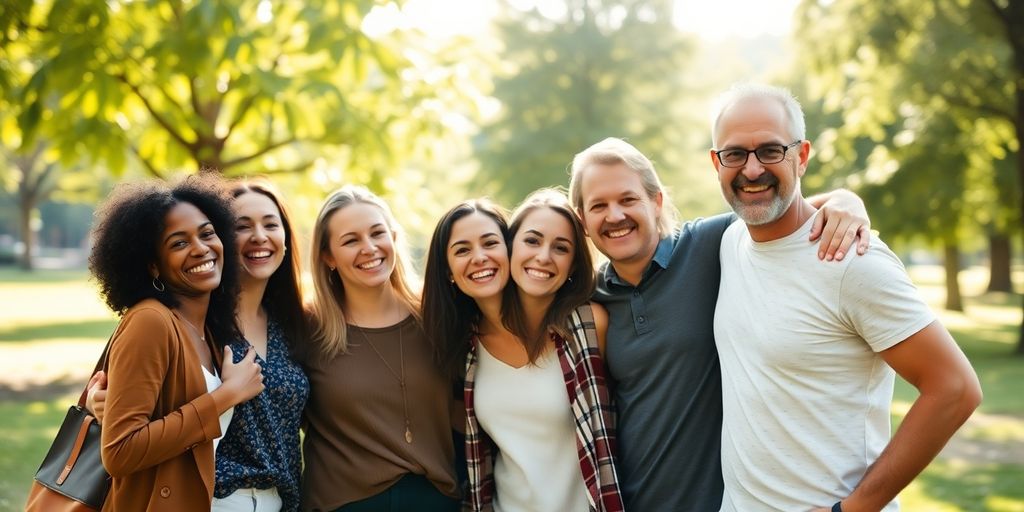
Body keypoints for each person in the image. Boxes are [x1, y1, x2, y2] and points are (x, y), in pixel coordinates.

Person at [708, 83, 982, 511]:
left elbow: (956, 388)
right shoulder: (729, 242)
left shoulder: (852, 261)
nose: (753, 169)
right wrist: (842, 198)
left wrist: (854, 509)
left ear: (801, 156)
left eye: (771, 151)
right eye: (735, 154)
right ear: (716, 162)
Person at [567, 137, 872, 510]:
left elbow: (787, 210)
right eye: (599, 205)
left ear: (656, 201)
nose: (615, 215)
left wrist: (845, 200)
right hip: (631, 499)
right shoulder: (593, 298)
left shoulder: (711, 244)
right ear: (582, 220)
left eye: (628, 199)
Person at [422, 191, 622, 512]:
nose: (543, 256)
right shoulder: (464, 349)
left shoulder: (588, 328)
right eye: (462, 249)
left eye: (561, 248)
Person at [88, 175, 264, 511]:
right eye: (179, 243)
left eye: (207, 233)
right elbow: (119, 452)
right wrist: (226, 396)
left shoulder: (204, 330)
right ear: (153, 265)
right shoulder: (150, 321)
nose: (201, 248)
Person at [301, 185, 460, 512]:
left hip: (435, 501)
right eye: (350, 240)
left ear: (394, 237)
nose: (369, 248)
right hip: (343, 504)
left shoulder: (437, 318)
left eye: (377, 233)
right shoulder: (307, 329)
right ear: (327, 256)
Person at [211, 179, 310, 512]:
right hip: (215, 499)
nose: (259, 236)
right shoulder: (200, 319)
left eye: (271, 224)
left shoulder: (294, 323)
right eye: (242, 226)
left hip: (280, 501)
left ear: (285, 238)